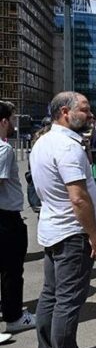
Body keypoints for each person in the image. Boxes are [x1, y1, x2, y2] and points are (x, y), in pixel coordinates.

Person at [30, 92, 96, 348]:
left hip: (54, 228)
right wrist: (93, 234)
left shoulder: (44, 142)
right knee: (67, 301)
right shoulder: (68, 146)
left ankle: (47, 346)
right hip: (72, 233)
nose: (90, 115)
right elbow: (78, 198)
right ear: (64, 112)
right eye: (84, 109)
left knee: (51, 295)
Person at [0, 101, 36, 334]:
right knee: (12, 269)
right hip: (6, 218)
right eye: (13, 119)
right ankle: (14, 316)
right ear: (3, 121)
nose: (14, 123)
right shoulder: (5, 149)